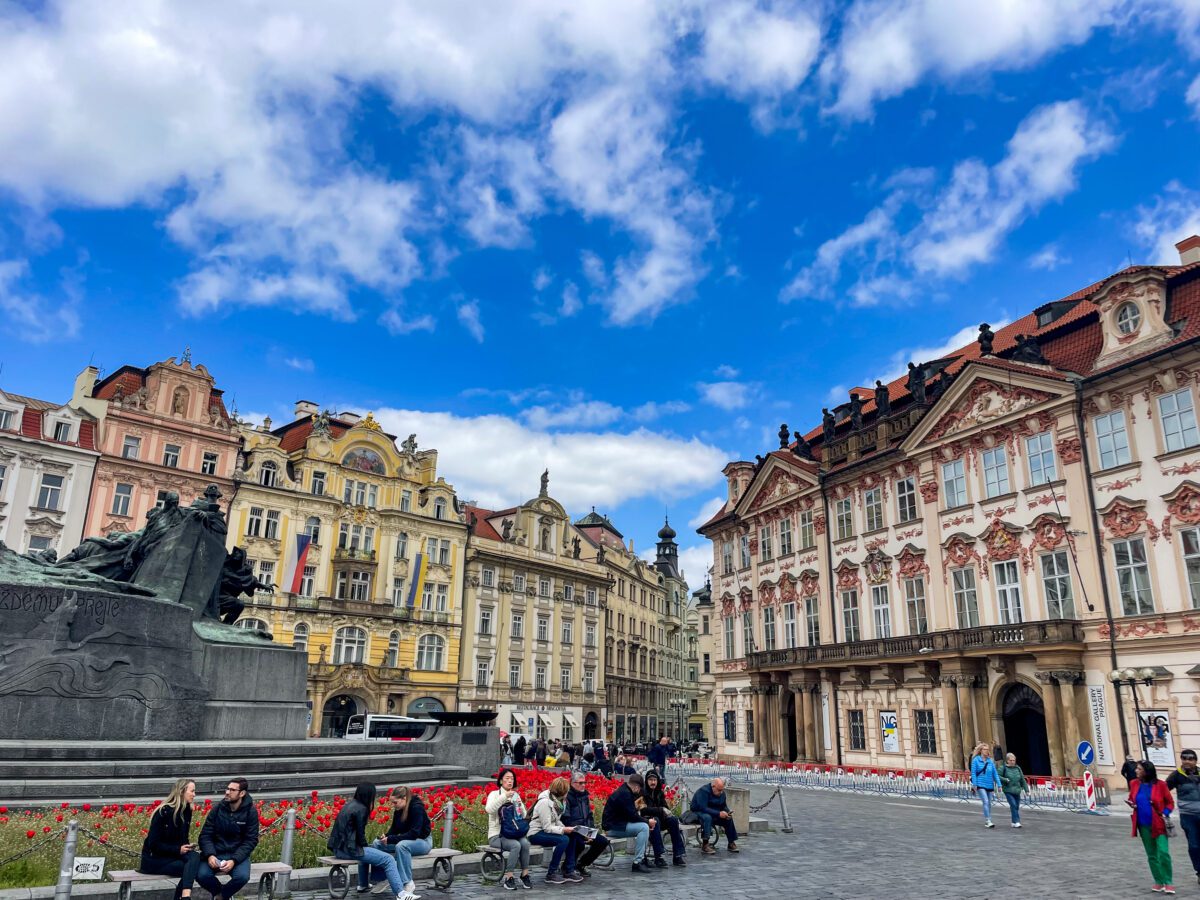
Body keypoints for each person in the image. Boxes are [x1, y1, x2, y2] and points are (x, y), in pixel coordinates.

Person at [326, 783, 407, 900]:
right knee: (388, 859)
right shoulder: (361, 809)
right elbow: (360, 835)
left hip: (338, 848)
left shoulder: (350, 805)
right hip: (349, 850)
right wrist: (366, 846)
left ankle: (362, 885)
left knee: (371, 850)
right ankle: (401, 894)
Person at [139, 779, 203, 900]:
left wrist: (186, 847)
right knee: (191, 868)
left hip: (174, 856)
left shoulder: (187, 810)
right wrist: (178, 850)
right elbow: (154, 845)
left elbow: (182, 839)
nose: (194, 795)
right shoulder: (163, 811)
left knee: (195, 857)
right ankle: (184, 897)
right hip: (156, 860)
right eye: (192, 791)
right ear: (182, 791)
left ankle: (184, 896)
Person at [197, 778, 260, 900]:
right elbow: (205, 835)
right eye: (227, 788)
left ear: (242, 793)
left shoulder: (250, 812)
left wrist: (234, 860)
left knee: (242, 877)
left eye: (232, 790)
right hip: (215, 852)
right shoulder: (217, 809)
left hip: (236, 855)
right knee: (202, 875)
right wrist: (210, 855)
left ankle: (221, 896)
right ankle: (219, 893)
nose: (227, 792)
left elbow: (251, 840)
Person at [373, 786, 430, 900]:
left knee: (402, 846)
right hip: (408, 840)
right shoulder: (399, 810)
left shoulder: (416, 808)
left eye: (395, 802)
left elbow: (414, 833)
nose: (393, 805)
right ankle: (384, 877)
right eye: (392, 802)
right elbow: (394, 830)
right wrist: (386, 836)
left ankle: (407, 882)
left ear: (404, 798)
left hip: (423, 841)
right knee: (377, 843)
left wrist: (391, 839)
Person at [1128, 760, 1175, 894]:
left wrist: (1165, 813)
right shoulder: (1134, 784)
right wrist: (1132, 804)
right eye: (1136, 769)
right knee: (1152, 855)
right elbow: (1132, 798)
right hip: (1142, 824)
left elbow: (1170, 803)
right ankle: (1159, 881)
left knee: (1163, 852)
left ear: (1147, 771)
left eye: (1139, 769)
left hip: (1159, 824)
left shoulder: (1161, 785)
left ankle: (1169, 881)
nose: (1136, 771)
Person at [528, 776, 583, 884]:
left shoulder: (560, 801)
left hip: (547, 830)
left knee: (572, 835)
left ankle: (569, 870)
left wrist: (568, 829)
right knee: (563, 840)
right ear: (562, 791)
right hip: (536, 833)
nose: (568, 792)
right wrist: (563, 830)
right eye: (566, 790)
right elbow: (547, 827)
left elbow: (556, 820)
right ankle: (551, 873)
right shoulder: (545, 802)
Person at [485, 768, 533, 891]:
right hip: (497, 835)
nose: (510, 781)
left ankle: (525, 874)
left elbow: (522, 815)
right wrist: (504, 797)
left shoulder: (516, 795)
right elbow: (489, 810)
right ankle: (509, 877)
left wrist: (518, 805)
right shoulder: (494, 794)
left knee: (525, 843)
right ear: (501, 781)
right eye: (507, 778)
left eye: (512, 778)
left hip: (514, 832)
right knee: (516, 845)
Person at [602, 774, 657, 873]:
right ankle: (637, 862)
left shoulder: (625, 791)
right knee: (644, 827)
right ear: (636, 787)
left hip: (618, 824)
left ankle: (642, 858)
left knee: (644, 826)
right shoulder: (625, 794)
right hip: (612, 827)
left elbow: (630, 814)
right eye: (640, 788)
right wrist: (648, 822)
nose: (640, 791)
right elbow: (632, 816)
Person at [562, 772, 611, 877]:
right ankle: (567, 867)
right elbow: (566, 819)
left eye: (584, 782)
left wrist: (591, 831)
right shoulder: (567, 796)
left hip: (585, 829)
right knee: (579, 843)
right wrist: (583, 833)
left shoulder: (584, 796)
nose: (583, 785)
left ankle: (581, 864)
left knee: (602, 842)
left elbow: (589, 816)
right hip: (574, 829)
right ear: (572, 783)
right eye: (580, 783)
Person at [1167, 749, 1200, 885]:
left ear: (1195, 761)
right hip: (1188, 817)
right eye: (1184, 758)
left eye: (1190, 759)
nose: (1187, 761)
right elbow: (1162, 791)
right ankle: (1199, 871)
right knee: (1194, 845)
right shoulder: (1176, 776)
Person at [642, 770, 686, 866]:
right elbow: (643, 810)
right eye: (650, 780)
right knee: (655, 820)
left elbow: (665, 808)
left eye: (654, 780)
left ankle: (678, 855)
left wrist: (664, 812)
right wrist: (660, 810)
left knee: (673, 820)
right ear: (646, 781)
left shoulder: (659, 793)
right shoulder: (643, 793)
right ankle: (659, 856)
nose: (653, 782)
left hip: (659, 820)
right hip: (647, 820)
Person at [690, 777, 738, 854]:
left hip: (713, 811)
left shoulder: (721, 793)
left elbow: (723, 806)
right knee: (707, 817)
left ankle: (731, 842)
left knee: (728, 818)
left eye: (722, 790)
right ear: (713, 786)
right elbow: (703, 808)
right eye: (719, 790)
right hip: (698, 812)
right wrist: (718, 814)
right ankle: (705, 844)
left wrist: (727, 812)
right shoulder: (703, 791)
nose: (721, 792)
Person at [969, 743, 1001, 829]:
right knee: (986, 801)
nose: (987, 751)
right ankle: (988, 820)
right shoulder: (976, 760)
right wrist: (975, 784)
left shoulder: (990, 761)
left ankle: (988, 819)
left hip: (989, 784)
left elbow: (995, 773)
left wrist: (999, 784)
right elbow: (973, 773)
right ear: (980, 751)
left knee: (989, 803)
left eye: (987, 749)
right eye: (985, 749)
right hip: (980, 784)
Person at [998, 753, 1028, 829]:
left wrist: (1026, 789)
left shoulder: (1018, 768)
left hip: (1017, 790)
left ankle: (1013, 821)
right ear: (1007, 760)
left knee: (1016, 806)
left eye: (1013, 760)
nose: (1012, 762)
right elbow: (997, 776)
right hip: (1008, 790)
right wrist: (1005, 780)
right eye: (1010, 760)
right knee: (1013, 805)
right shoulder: (1003, 768)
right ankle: (1017, 821)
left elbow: (1022, 779)